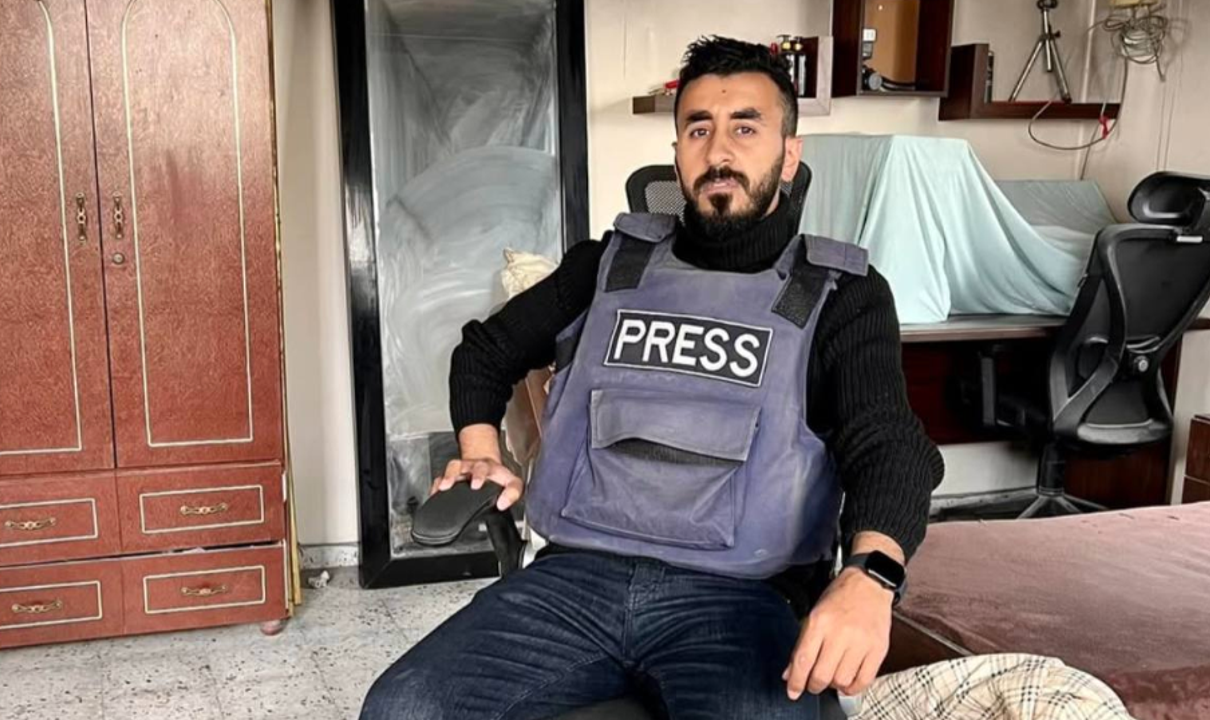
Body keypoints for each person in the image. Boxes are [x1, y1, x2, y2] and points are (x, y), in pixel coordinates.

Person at [361, 36, 944, 720]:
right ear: (676, 153)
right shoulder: (609, 266)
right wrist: (481, 451)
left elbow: (888, 445)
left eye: (745, 128)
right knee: (402, 707)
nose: (719, 152)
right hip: (572, 585)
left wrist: (871, 576)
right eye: (698, 129)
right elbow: (485, 350)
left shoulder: (840, 294)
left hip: (741, 600)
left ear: (789, 153)